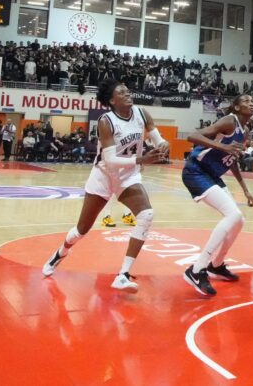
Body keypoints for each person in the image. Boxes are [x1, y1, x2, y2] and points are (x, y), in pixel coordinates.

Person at [42, 80, 168, 292]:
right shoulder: (106, 121)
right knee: (82, 230)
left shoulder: (142, 114)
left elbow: (157, 138)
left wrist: (163, 145)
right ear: (112, 100)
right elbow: (109, 160)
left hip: (128, 176)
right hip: (103, 175)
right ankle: (60, 253)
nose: (128, 93)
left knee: (146, 216)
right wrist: (140, 160)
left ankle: (123, 275)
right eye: (122, 92)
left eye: (128, 90)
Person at [181, 95, 253, 297]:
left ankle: (216, 265)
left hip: (212, 175)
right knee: (232, 214)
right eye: (247, 100)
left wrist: (245, 189)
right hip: (196, 170)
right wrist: (223, 146)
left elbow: (231, 159)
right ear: (236, 106)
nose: (252, 103)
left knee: (239, 220)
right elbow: (193, 136)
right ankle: (197, 270)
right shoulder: (229, 121)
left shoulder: (245, 130)